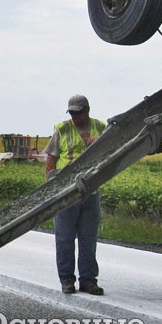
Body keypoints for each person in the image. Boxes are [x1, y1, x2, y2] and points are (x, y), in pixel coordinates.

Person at [44, 94, 107, 296]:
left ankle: (88, 281)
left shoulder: (100, 127)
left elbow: (110, 154)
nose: (74, 117)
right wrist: (50, 186)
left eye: (78, 113)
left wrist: (98, 143)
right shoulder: (62, 129)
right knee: (65, 238)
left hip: (91, 191)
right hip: (66, 193)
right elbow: (51, 159)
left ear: (87, 111)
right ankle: (67, 281)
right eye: (71, 113)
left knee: (88, 238)